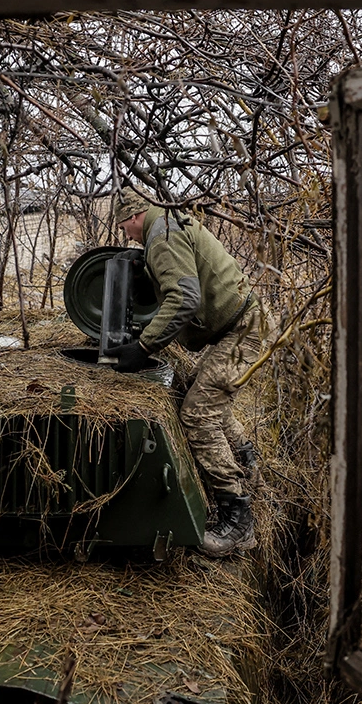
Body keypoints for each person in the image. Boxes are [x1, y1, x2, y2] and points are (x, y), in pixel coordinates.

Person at [104, 189, 269, 557]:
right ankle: (249, 469)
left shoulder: (161, 235)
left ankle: (238, 520)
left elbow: (184, 297)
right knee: (198, 391)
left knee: (197, 415)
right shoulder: (167, 223)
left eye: (124, 226)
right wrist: (144, 267)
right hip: (244, 323)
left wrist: (142, 347)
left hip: (243, 331)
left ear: (134, 216)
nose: (126, 233)